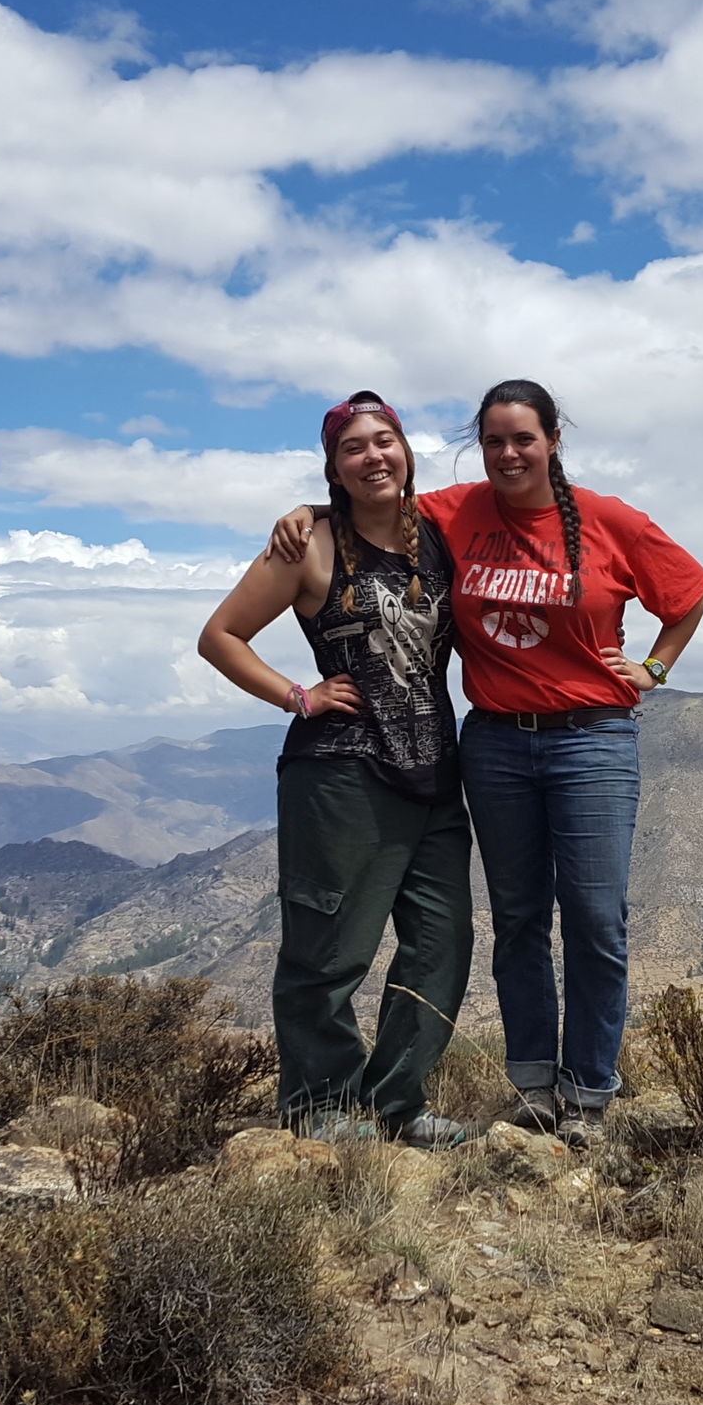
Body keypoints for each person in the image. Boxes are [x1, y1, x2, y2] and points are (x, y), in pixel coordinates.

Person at [270, 379, 703, 1146]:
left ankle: (590, 1092)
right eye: (494, 441)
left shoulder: (608, 520)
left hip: (592, 740)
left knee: (596, 921)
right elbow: (375, 498)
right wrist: (308, 512)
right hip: (497, 743)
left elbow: (690, 589)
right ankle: (536, 1086)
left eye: (524, 439)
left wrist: (656, 666)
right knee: (516, 921)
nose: (509, 454)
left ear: (552, 442)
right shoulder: (456, 509)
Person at [198, 391, 472, 1148]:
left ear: (407, 451)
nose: (373, 456)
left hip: (435, 771)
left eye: (385, 440)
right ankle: (319, 1109)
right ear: (334, 468)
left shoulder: (440, 534)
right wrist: (298, 695)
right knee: (329, 947)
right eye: (354, 447)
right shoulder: (309, 545)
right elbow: (220, 636)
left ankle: (398, 1105)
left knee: (443, 943)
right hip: (342, 774)